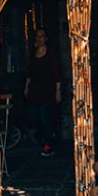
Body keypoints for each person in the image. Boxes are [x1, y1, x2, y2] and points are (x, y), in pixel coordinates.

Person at [24, 27, 62, 156]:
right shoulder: (33, 53)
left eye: (42, 36)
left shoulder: (51, 54)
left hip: (48, 90)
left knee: (45, 117)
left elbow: (57, 72)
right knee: (34, 117)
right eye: (37, 36)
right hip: (35, 90)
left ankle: (48, 144)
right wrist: (26, 86)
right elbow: (30, 71)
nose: (39, 39)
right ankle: (42, 140)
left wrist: (58, 90)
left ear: (46, 38)